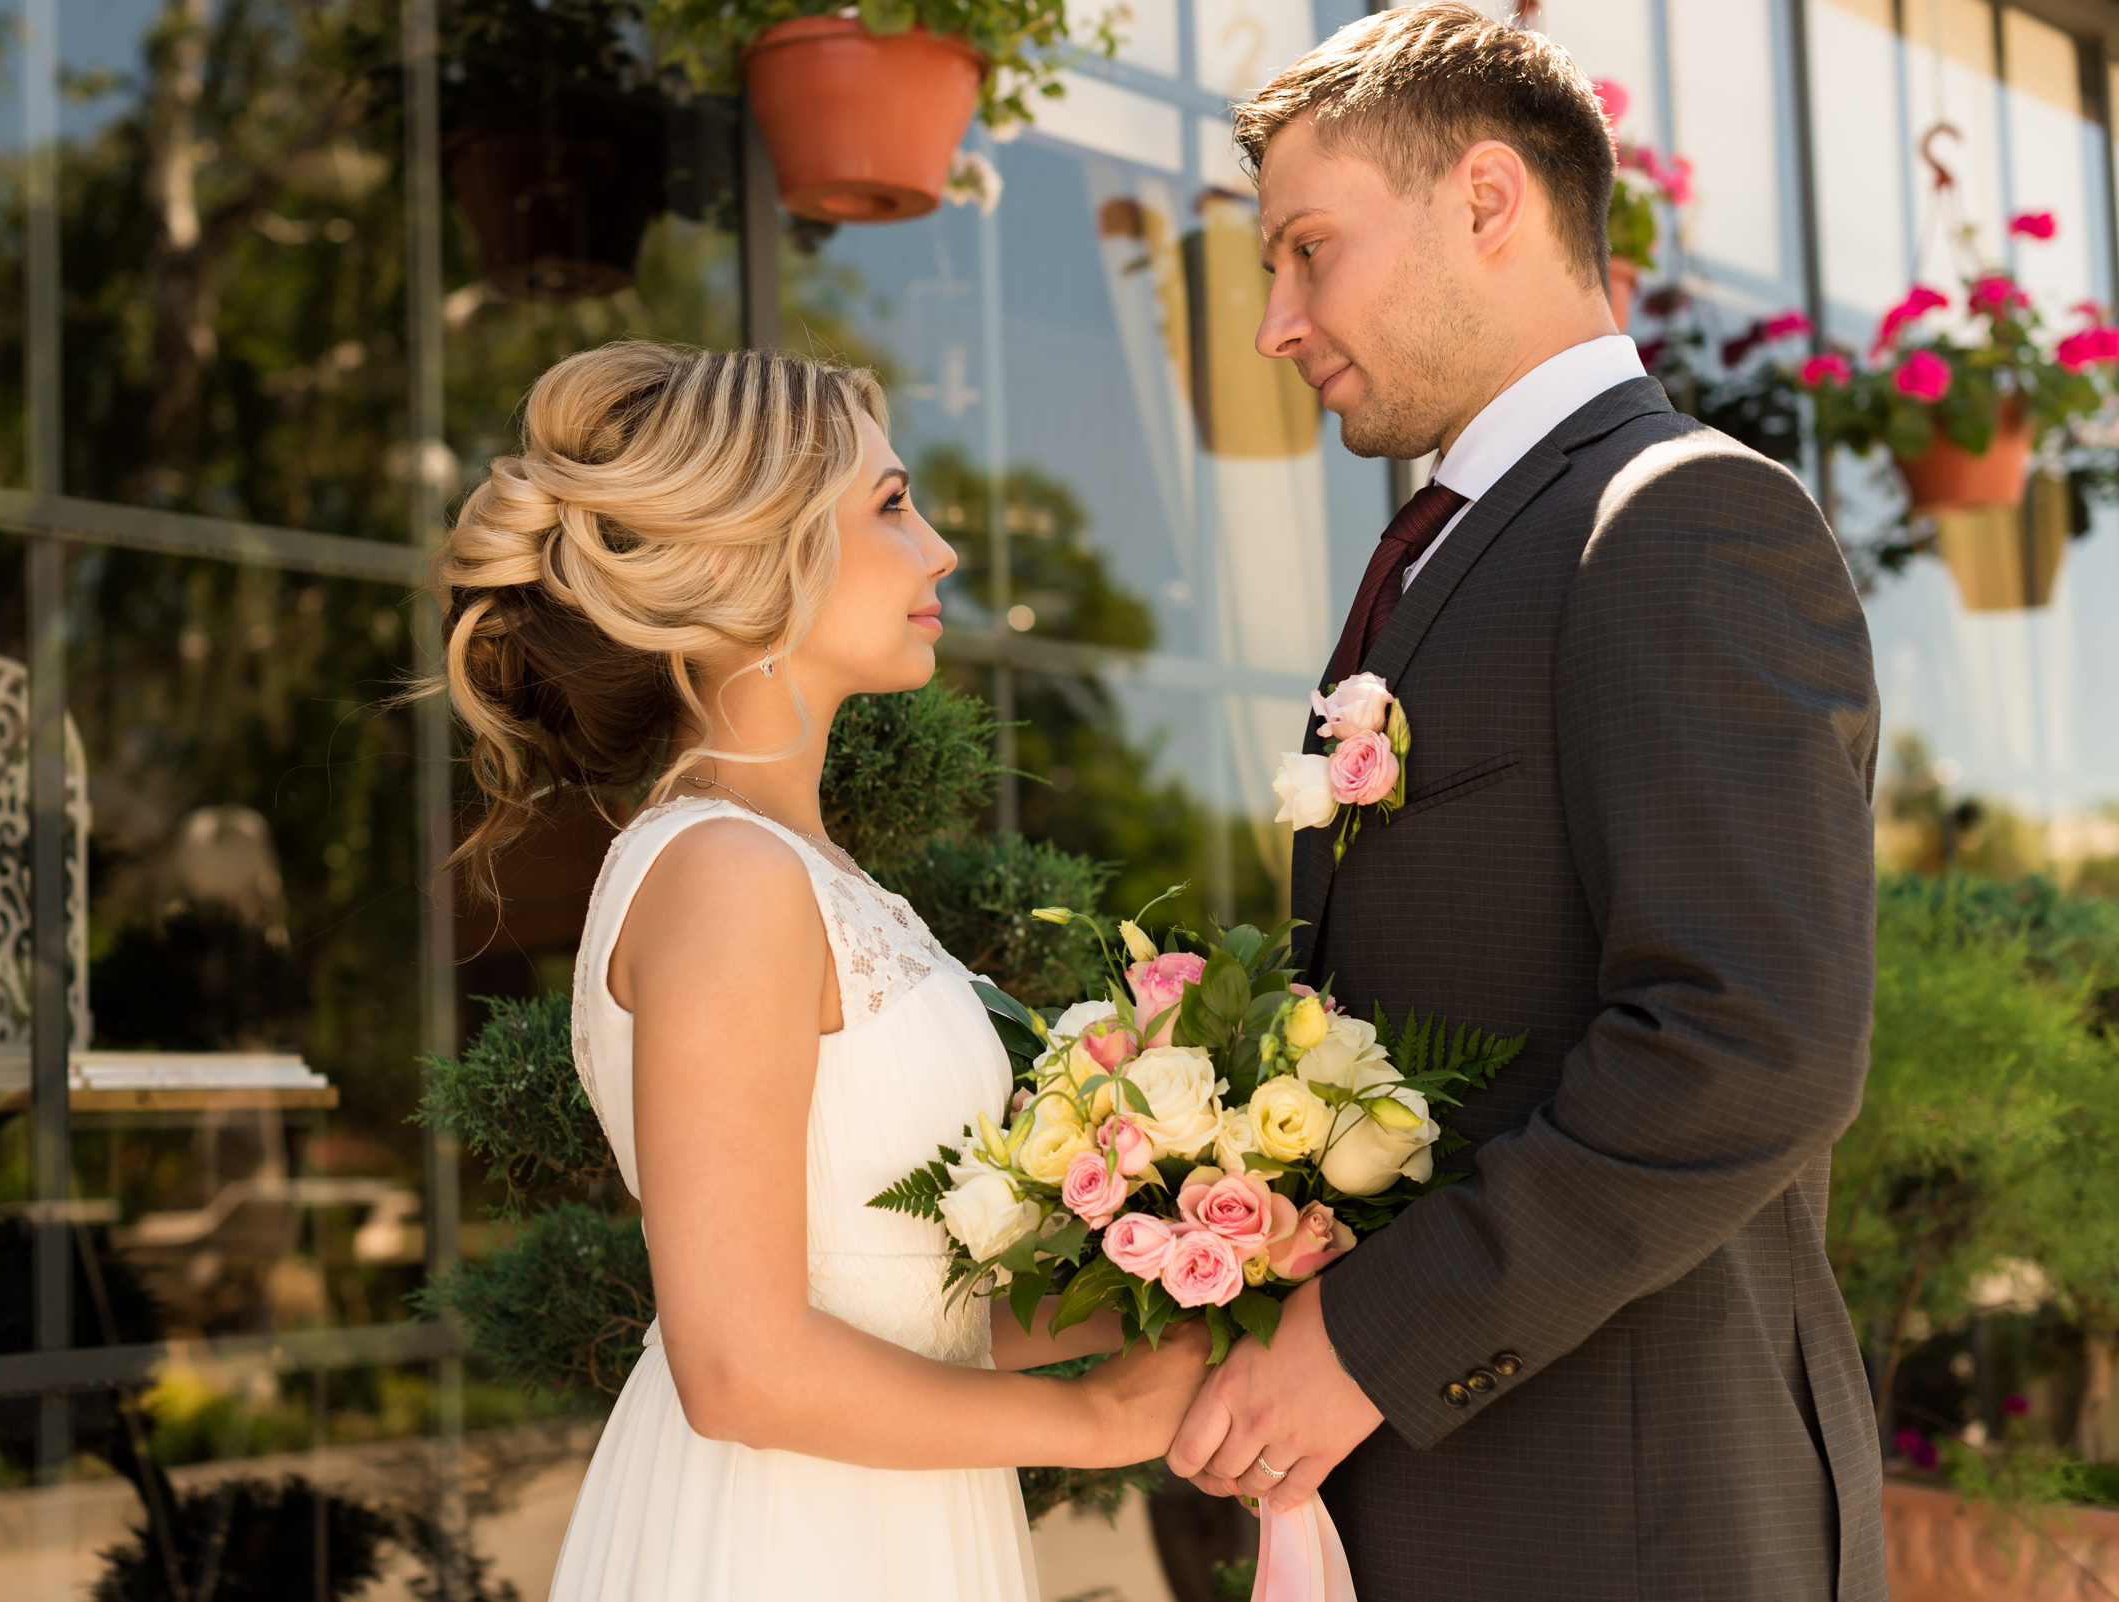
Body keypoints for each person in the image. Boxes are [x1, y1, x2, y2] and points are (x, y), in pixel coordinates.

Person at [1160, 7, 1888, 1599]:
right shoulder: (1463, 544)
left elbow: (1748, 1040)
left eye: (1308, 249)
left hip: (1632, 1524)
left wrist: (1364, 1343)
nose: (1279, 320)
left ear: (1488, 199)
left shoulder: (1683, 522)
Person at [427, 342, 1212, 1601]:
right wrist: (1100, 1424)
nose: (941, 548)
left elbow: (915, 1300)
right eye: (893, 505)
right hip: (783, 1537)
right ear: (750, 560)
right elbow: (741, 1366)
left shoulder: (802, 868)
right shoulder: (726, 876)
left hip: (896, 1512)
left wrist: (1194, 1276)